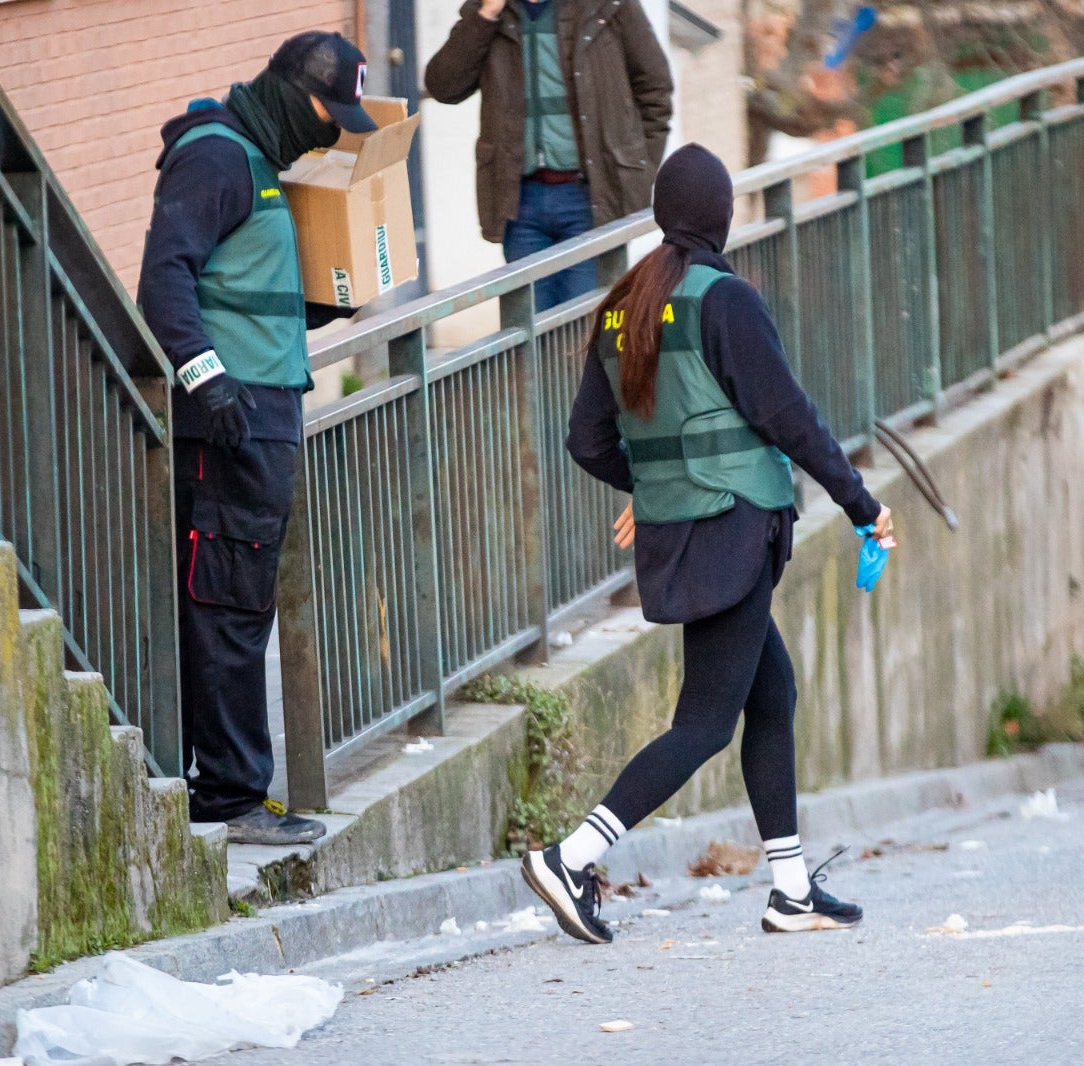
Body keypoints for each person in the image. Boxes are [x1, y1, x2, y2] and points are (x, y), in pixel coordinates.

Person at [520, 144, 893, 943]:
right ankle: (572, 856)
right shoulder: (725, 300)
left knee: (773, 694)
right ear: (720, 218)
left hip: (687, 536)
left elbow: (587, 440)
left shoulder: (623, 306)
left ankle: (790, 889)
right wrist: (863, 505)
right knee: (703, 724)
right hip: (732, 532)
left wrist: (655, 490)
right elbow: (789, 418)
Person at [139, 31, 377, 845]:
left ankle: (238, 787)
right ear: (289, 91)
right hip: (231, 421)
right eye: (328, 111)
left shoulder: (260, 161)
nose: (332, 129)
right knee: (227, 605)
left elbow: (245, 289)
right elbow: (164, 275)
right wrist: (207, 379)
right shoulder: (216, 158)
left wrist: (326, 303)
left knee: (243, 603)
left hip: (265, 412)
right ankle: (230, 797)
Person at [424, 0, 673, 311]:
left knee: (582, 324)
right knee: (528, 328)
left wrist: (637, 169)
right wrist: (485, 15)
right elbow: (444, 86)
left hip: (591, 198)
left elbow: (655, 89)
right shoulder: (490, 11)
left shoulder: (608, 5)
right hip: (520, 202)